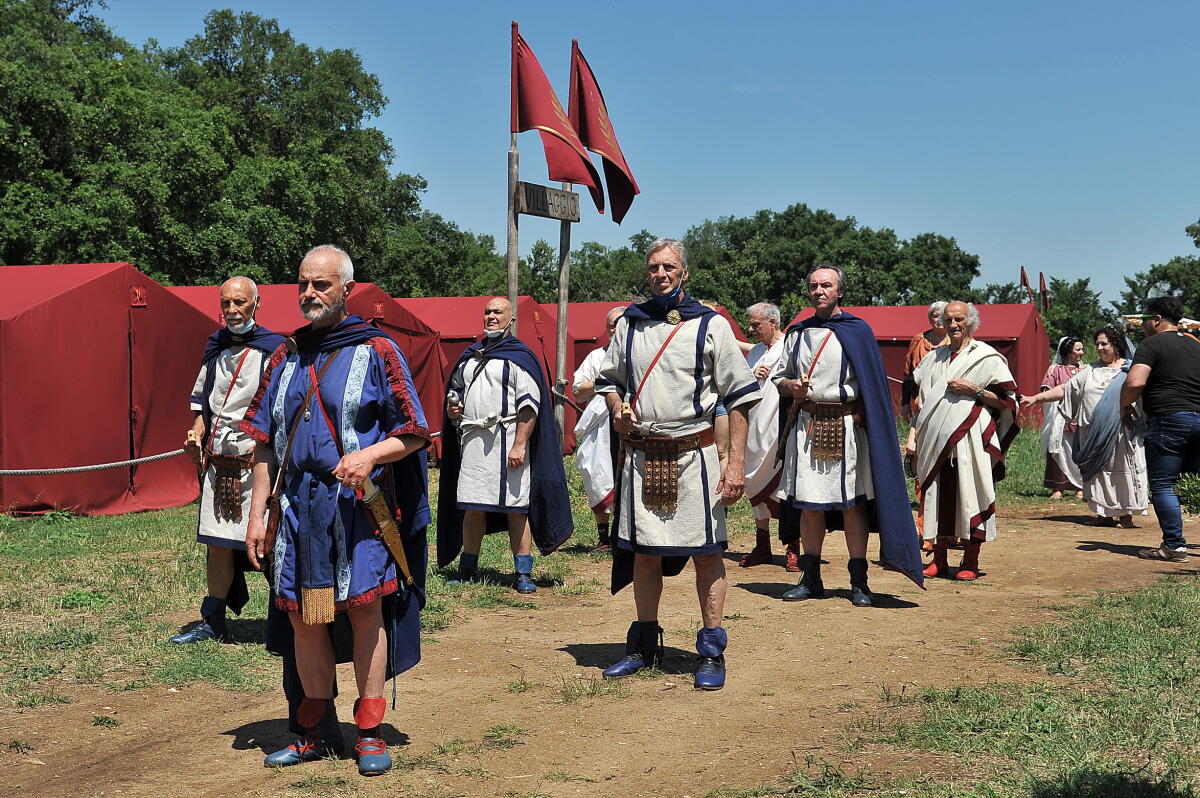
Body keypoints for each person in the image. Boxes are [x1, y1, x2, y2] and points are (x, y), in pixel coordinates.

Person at [242, 245, 432, 776]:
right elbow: (264, 444)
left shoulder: (378, 350)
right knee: (304, 618)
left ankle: (369, 732)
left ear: (346, 289)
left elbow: (415, 431)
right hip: (295, 511)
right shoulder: (285, 355)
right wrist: (257, 515)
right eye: (303, 284)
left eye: (321, 284)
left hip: (356, 510)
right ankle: (313, 732)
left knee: (365, 613)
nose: (310, 294)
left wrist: (370, 455)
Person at [595, 238, 760, 691]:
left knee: (707, 554)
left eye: (669, 267)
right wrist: (616, 407)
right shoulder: (630, 323)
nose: (661, 274)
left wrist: (735, 465)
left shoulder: (711, 325)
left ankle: (711, 650)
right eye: (654, 267)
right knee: (645, 553)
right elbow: (609, 380)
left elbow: (740, 397)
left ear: (684, 272)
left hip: (695, 458)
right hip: (643, 456)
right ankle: (644, 646)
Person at [773, 267, 924, 606]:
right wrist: (791, 386)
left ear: (839, 291)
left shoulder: (857, 331)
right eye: (813, 286)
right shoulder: (797, 333)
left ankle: (859, 582)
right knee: (809, 505)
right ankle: (811, 579)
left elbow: (871, 385)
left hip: (846, 428)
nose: (818, 291)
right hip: (807, 428)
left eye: (826, 285)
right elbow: (779, 378)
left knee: (853, 505)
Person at [173, 277, 285, 644]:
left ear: (256, 303)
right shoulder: (215, 346)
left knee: (267, 541)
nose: (232, 310)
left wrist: (266, 447)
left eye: (240, 302)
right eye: (226, 303)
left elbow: (284, 407)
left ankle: (285, 621)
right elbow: (202, 402)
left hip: (258, 463)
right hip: (218, 461)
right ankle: (213, 622)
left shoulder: (275, 350)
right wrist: (197, 431)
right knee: (218, 544)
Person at [436, 298, 573, 591]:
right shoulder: (471, 357)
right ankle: (468, 569)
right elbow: (455, 390)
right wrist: (453, 409)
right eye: (487, 312)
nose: (491, 316)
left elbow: (530, 406)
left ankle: (523, 573)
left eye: (498, 312)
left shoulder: (519, 358)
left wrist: (520, 444)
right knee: (472, 507)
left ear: (511, 319)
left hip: (508, 441)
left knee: (516, 508)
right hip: (474, 442)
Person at [907, 301, 1019, 580]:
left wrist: (975, 390)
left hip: (970, 437)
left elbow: (1007, 402)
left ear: (971, 321)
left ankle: (970, 560)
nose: (953, 324)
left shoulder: (986, 357)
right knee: (937, 496)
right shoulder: (933, 358)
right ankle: (939, 558)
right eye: (948, 320)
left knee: (971, 493)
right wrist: (914, 434)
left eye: (959, 319)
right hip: (934, 440)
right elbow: (921, 401)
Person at [1022, 326, 1146, 527]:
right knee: (1098, 473)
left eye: (1104, 344)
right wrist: (1036, 398)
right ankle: (1103, 513)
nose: (1099, 348)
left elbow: (1141, 393)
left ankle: (1125, 515)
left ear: (1117, 345)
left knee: (1122, 472)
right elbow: (1066, 388)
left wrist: (1129, 408)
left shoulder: (1129, 370)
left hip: (1120, 432)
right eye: (1097, 344)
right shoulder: (1090, 370)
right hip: (1092, 432)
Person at [1121, 296, 1200, 562]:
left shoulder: (1151, 344)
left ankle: (1174, 546)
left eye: (1144, 319)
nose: (1143, 325)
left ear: (1156, 319)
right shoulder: (1195, 343)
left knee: (1164, 485)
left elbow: (1134, 381)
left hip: (1168, 420)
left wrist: (1123, 406)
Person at [572, 306, 628, 552]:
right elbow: (577, 391)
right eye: (611, 325)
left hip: (632, 423)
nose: (615, 329)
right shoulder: (596, 357)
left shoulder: (640, 354)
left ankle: (627, 536)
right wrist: (603, 381)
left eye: (620, 323)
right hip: (601, 427)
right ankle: (604, 538)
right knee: (596, 473)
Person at [739, 302, 788, 569]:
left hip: (780, 426)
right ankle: (763, 546)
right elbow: (740, 386)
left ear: (772, 322)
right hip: (755, 427)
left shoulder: (790, 347)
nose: (751, 329)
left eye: (755, 324)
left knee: (786, 486)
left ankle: (793, 547)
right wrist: (751, 375)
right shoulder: (757, 351)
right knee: (754, 483)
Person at [1038, 336, 1085, 500]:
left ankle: (1080, 486)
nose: (1081, 352)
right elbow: (1046, 391)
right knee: (1059, 450)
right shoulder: (1056, 370)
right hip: (1061, 417)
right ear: (1068, 352)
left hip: (1080, 416)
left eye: (1082, 349)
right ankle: (1058, 487)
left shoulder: (1086, 370)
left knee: (1079, 450)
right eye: (1078, 349)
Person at [901, 302, 949, 421]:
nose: (939, 319)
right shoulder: (918, 340)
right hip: (920, 403)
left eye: (943, 315)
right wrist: (905, 404)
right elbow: (908, 374)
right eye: (935, 316)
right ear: (930, 319)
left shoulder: (956, 341)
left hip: (947, 402)